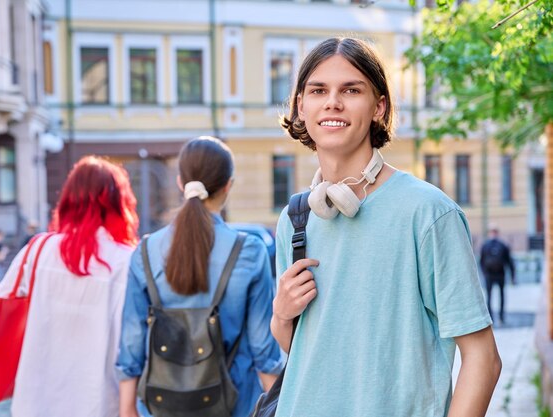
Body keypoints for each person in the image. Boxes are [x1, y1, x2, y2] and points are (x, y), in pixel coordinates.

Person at [271, 37, 501, 417]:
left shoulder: (428, 212)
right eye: (318, 90)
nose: (332, 102)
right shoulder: (296, 218)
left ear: (379, 107)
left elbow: (483, 358)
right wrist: (281, 313)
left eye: (351, 89)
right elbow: (300, 349)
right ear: (301, 106)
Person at [116, 137, 283, 417]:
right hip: (234, 405)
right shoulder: (249, 251)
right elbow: (263, 349)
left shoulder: (145, 251)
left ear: (181, 183)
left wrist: (126, 409)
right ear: (228, 186)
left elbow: (132, 340)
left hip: (160, 405)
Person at [0, 156, 139, 417]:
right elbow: (131, 346)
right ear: (117, 202)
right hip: (99, 401)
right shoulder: (126, 261)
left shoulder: (38, 250)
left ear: (68, 199)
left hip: (35, 400)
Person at [480, 225, 516, 324]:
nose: (493, 233)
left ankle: (501, 317)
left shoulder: (502, 245)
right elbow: (481, 261)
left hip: (500, 274)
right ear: (489, 233)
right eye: (492, 231)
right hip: (489, 275)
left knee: (501, 296)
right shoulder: (485, 245)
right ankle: (490, 317)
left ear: (498, 233)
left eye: (495, 231)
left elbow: (509, 261)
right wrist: (484, 273)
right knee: (489, 297)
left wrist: (513, 277)